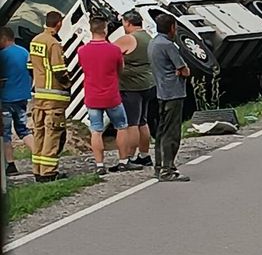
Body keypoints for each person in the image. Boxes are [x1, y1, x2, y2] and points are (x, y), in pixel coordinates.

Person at [77, 18, 140, 175]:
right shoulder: (114, 50)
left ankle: (99, 165)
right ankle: (123, 161)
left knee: (96, 131)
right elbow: (120, 69)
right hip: (112, 95)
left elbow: (84, 69)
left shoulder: (82, 51)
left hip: (92, 96)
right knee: (121, 127)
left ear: (91, 30)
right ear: (105, 30)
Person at [28, 11, 71, 182]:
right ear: (59, 23)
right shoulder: (53, 44)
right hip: (54, 97)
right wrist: (68, 85)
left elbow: (30, 67)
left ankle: (37, 170)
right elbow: (59, 71)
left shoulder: (35, 41)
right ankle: (49, 172)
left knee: (39, 132)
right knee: (53, 133)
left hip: (39, 95)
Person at [148, 14, 191, 181]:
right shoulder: (168, 45)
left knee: (161, 131)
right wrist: (182, 70)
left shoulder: (153, 43)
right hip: (174, 92)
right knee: (172, 133)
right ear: (172, 27)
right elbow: (184, 69)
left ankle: (159, 166)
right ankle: (168, 169)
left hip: (160, 91)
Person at [115, 11, 156, 167]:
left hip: (131, 86)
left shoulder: (128, 39)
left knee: (132, 123)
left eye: (124, 23)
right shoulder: (148, 37)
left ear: (128, 23)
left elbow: (109, 52)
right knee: (142, 121)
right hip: (148, 83)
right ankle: (144, 155)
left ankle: (130, 157)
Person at [0, 26, 33, 177]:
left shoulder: (2, 56)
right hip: (22, 97)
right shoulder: (24, 52)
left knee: (5, 134)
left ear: (3, 38)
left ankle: (10, 165)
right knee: (23, 129)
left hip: (6, 99)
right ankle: (39, 158)